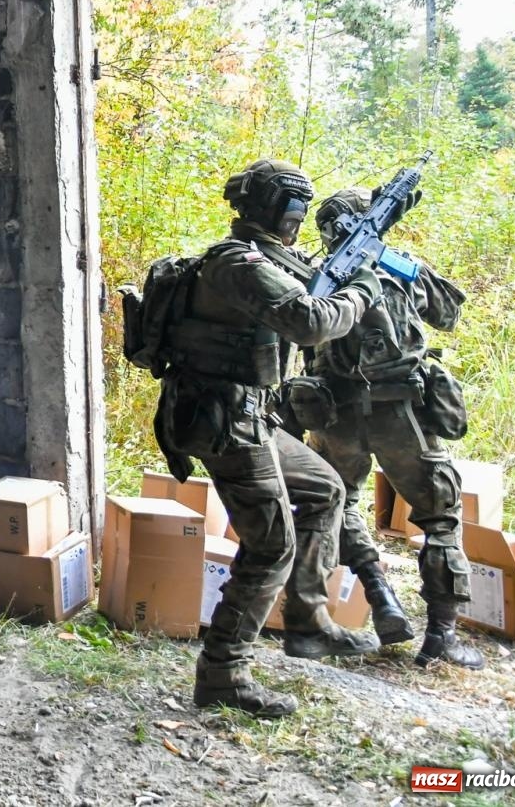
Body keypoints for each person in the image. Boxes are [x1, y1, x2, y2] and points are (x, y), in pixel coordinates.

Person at [152, 159, 382, 718]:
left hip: (246, 413)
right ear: (279, 211)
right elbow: (309, 321)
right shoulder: (239, 263)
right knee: (271, 543)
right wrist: (362, 290)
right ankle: (224, 674)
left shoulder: (272, 259)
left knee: (325, 491)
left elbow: (307, 282)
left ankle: (307, 618)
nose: (298, 221)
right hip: (221, 420)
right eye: (295, 210)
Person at [301, 188, 482, 669]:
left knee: (337, 501)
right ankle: (440, 636)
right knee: (439, 516)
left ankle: (381, 596)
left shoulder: (312, 277)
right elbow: (448, 311)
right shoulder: (394, 270)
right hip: (400, 415)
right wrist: (399, 259)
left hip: (333, 414)